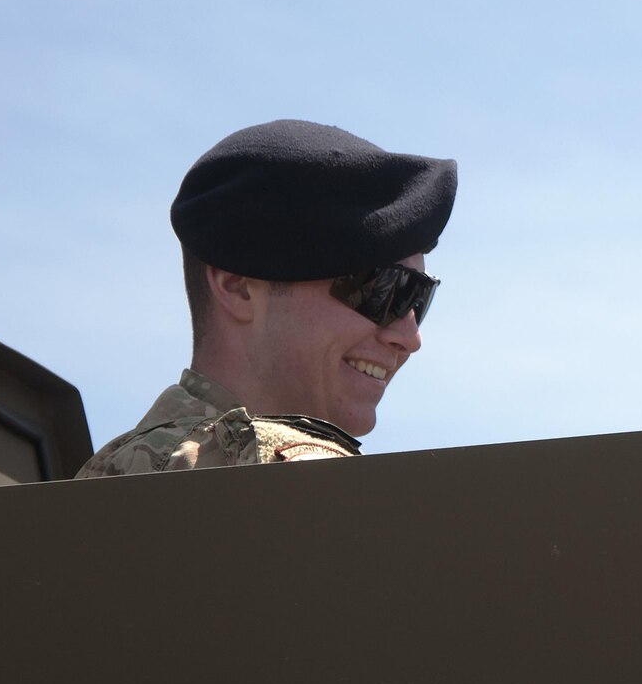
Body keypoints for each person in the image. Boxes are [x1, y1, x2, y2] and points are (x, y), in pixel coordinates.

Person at [77, 119, 454, 477]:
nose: (408, 337)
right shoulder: (301, 482)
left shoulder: (97, 481)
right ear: (238, 286)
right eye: (382, 289)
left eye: (419, 297)